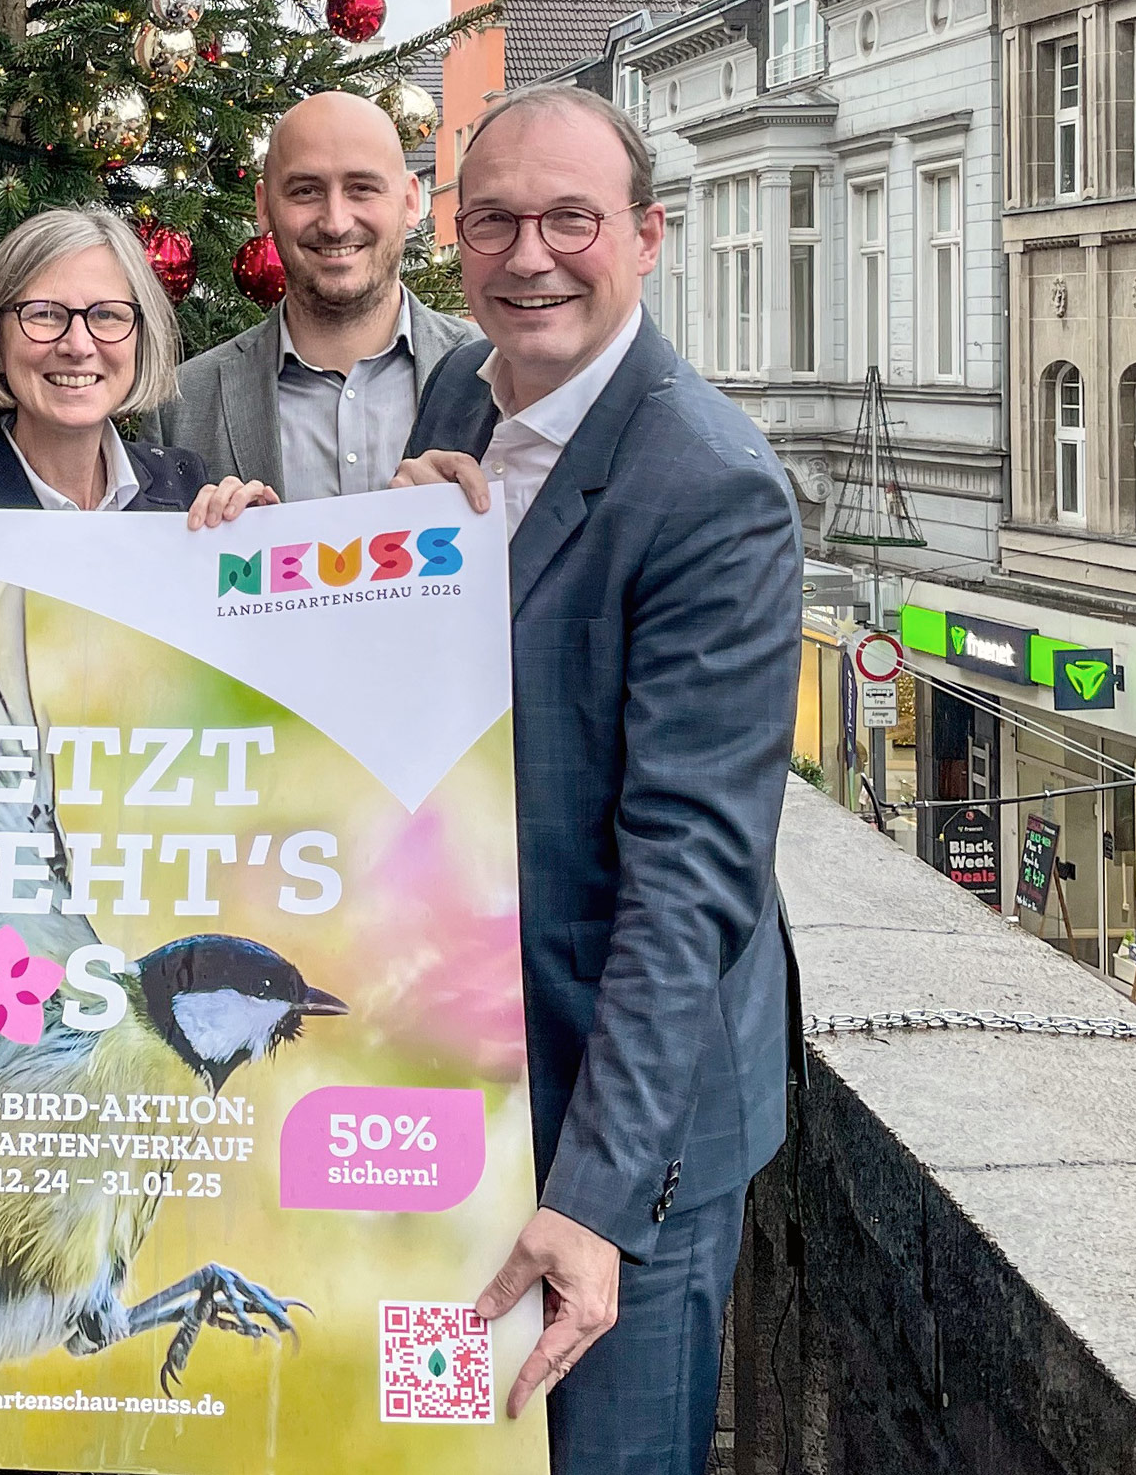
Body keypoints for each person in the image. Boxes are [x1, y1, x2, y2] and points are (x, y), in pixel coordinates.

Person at [393, 85, 802, 1474]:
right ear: (455, 241)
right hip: (463, 1087)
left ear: (648, 237)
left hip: (627, 1127)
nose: (530, 255)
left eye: (571, 218)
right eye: (495, 220)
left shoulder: (711, 487)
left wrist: (598, 1201)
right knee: (447, 1442)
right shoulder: (463, 386)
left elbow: (691, 874)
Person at [0, 207, 272, 603]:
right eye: (44, 314)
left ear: (139, 340)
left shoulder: (185, 491)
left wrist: (262, 553)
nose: (78, 345)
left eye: (108, 315)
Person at [139, 90, 478, 501]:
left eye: (362, 188)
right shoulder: (182, 405)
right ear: (264, 208)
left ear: (410, 201)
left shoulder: (499, 378)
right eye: (305, 191)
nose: (335, 222)